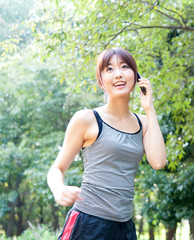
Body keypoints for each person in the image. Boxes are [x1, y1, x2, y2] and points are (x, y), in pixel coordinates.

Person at [47, 48, 167, 240]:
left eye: (125, 67)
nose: (118, 73)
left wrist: (149, 108)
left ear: (136, 77)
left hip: (124, 228)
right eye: (109, 69)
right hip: (88, 224)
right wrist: (58, 189)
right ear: (101, 81)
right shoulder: (86, 119)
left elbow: (159, 162)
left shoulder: (144, 122)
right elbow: (57, 169)